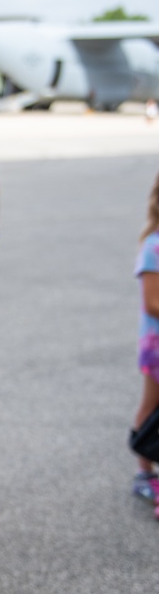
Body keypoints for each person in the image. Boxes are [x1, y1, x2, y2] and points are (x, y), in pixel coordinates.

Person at [132, 171, 159, 506]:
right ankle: (144, 471)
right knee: (152, 407)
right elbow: (152, 301)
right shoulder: (154, 245)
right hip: (156, 348)